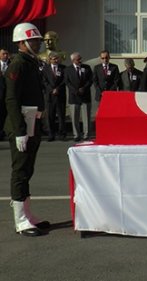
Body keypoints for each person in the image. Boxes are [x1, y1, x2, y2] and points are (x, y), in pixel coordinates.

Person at [5, 22, 50, 236]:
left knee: (28, 169)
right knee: (20, 171)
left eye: (38, 40)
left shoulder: (30, 62)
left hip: (33, 121)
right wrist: (20, 130)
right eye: (34, 40)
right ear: (22, 42)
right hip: (22, 124)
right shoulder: (18, 64)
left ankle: (28, 214)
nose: (38, 43)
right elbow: (11, 99)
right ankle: (20, 220)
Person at [65, 52, 93, 141]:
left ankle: (86, 134)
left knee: (86, 116)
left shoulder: (86, 67)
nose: (80, 60)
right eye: (78, 59)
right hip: (74, 96)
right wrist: (75, 90)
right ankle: (76, 135)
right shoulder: (68, 69)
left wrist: (84, 88)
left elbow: (90, 80)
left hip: (85, 95)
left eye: (80, 58)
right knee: (74, 117)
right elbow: (67, 82)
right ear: (73, 60)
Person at [41, 52, 67, 141]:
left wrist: (58, 89)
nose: (56, 60)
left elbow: (65, 80)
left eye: (57, 58)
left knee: (61, 116)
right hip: (50, 96)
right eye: (54, 58)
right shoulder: (45, 69)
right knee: (50, 116)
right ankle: (51, 134)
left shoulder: (63, 68)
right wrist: (52, 89)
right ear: (50, 59)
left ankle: (62, 134)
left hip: (60, 95)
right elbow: (44, 81)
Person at [0, 48, 10, 141]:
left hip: (8, 94)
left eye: (7, 54)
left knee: (6, 114)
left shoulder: (11, 65)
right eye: (3, 54)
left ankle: (4, 131)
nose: (5, 56)